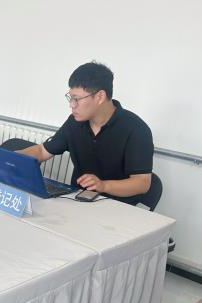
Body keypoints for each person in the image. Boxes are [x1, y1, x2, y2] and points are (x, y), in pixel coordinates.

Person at [18, 61, 154, 204]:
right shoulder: (75, 122)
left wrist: (103, 185)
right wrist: (11, 157)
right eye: (70, 98)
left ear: (100, 96)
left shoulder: (136, 129)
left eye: (77, 99)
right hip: (78, 200)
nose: (71, 105)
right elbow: (42, 151)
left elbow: (142, 183)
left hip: (116, 207)